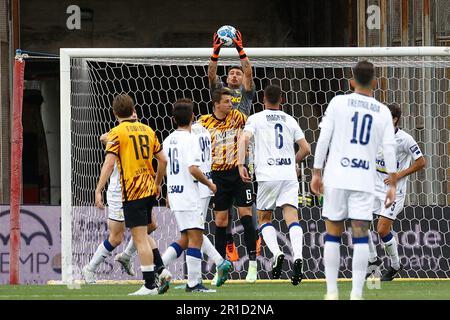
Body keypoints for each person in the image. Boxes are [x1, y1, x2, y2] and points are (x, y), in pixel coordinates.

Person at [310, 61, 397, 300]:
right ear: (375, 82)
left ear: (351, 81)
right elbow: (389, 149)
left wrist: (316, 172)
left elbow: (324, 138)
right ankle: (356, 294)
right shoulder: (382, 111)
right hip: (363, 179)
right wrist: (393, 183)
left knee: (332, 233)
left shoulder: (338, 102)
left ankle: (331, 292)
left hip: (337, 176)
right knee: (360, 234)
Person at [94, 94, 169, 296]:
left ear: (115, 113)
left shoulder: (117, 133)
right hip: (149, 189)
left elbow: (109, 163)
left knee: (139, 238)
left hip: (133, 191)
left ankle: (149, 285)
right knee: (143, 235)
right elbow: (163, 160)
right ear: (133, 109)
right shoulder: (147, 129)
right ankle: (160, 272)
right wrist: (158, 182)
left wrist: (99, 189)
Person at [238, 85, 311, 285]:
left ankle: (277, 253)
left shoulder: (256, 118)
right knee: (292, 217)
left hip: (267, 175)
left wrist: (240, 164)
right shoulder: (290, 120)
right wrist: (293, 162)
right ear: (282, 99)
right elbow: (306, 148)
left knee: (263, 218)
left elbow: (244, 139)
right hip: (288, 175)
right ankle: (298, 257)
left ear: (263, 99)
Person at [162, 98, 231, 293]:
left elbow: (166, 168)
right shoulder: (192, 138)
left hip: (176, 193)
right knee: (195, 236)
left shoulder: (167, 140)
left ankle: (157, 269)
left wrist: (166, 190)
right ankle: (194, 282)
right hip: (191, 193)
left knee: (187, 236)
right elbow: (193, 168)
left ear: (173, 119)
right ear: (193, 117)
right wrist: (210, 183)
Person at [208, 29, 260, 263]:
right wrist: (216, 51)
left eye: (238, 73)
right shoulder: (220, 93)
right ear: (227, 79)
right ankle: (228, 244)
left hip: (242, 149)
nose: (236, 76)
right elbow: (210, 75)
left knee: (247, 204)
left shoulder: (245, 95)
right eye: (232, 73)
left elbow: (249, 71)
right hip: (220, 152)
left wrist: (240, 48)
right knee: (223, 210)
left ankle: (254, 239)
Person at [198, 89, 258, 283]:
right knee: (221, 222)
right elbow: (189, 136)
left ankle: (253, 265)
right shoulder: (204, 122)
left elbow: (250, 132)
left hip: (239, 173)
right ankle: (220, 266)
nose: (230, 104)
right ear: (216, 104)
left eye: (231, 101)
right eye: (226, 102)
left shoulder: (238, 117)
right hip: (218, 176)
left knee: (247, 216)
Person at [367, 104, 426, 281]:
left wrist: (397, 175)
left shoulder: (405, 139)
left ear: (394, 119)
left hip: (394, 190)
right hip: (374, 187)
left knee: (382, 229)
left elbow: (421, 162)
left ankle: (394, 265)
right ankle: (373, 260)